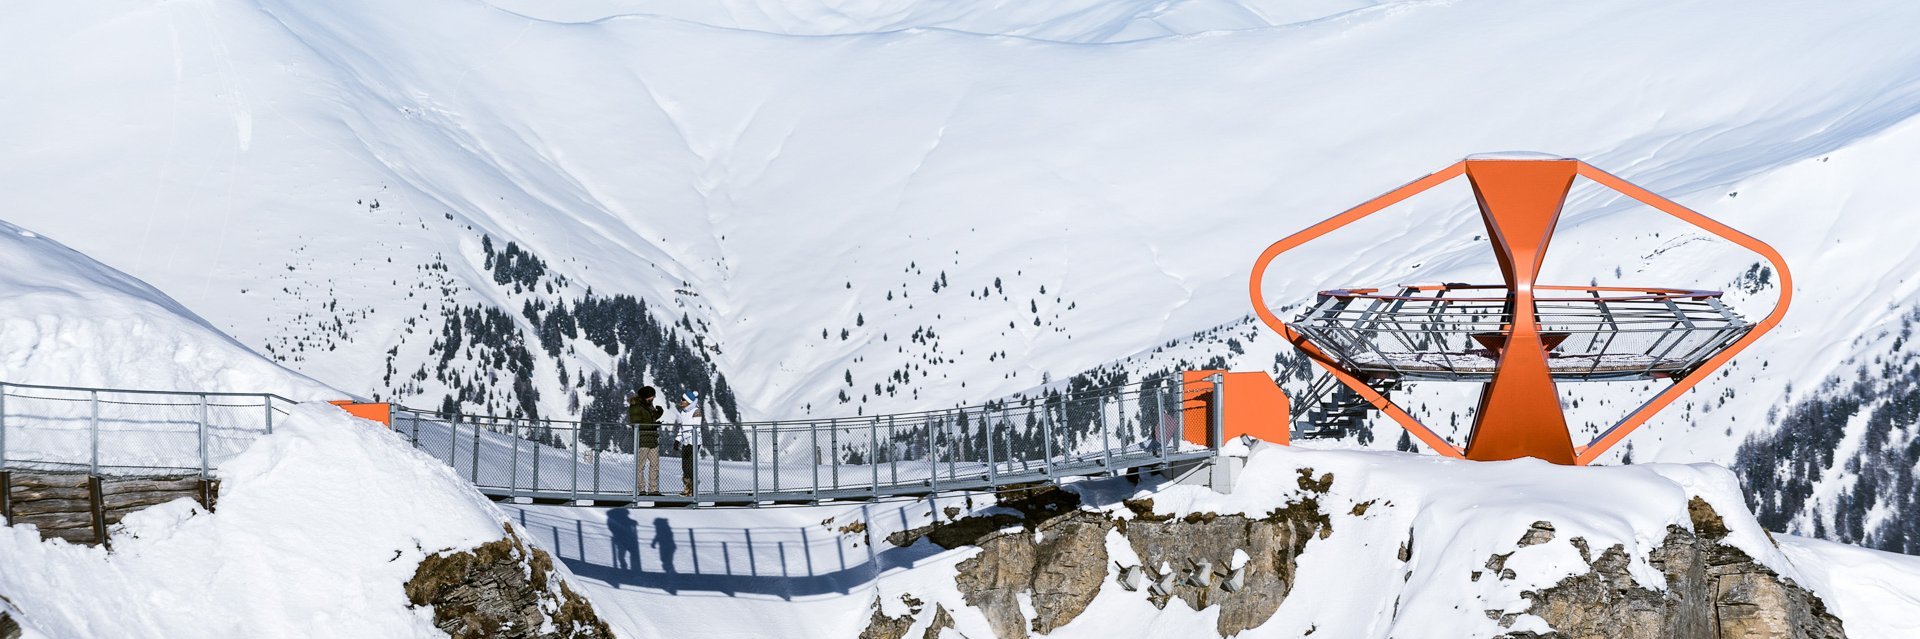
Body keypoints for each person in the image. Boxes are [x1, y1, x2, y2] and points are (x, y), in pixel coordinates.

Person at [628, 386, 665, 494]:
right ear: (645, 397)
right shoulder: (635, 407)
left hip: (652, 439)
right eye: (651, 397)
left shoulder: (648, 405)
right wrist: (653, 424)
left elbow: (651, 418)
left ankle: (653, 489)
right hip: (642, 439)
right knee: (640, 466)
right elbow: (636, 423)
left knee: (655, 465)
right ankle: (641, 489)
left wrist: (659, 413)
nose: (652, 398)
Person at [673, 390, 703, 496]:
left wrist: (690, 440)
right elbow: (682, 428)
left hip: (694, 442)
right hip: (686, 442)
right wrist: (678, 440)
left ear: (689, 401)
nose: (681, 401)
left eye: (683, 399)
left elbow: (696, 428)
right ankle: (687, 487)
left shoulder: (696, 411)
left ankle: (692, 488)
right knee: (684, 466)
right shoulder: (684, 412)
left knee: (690, 466)